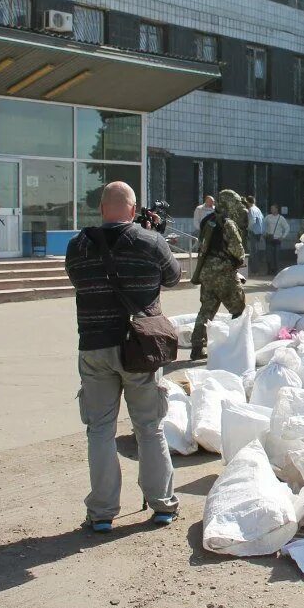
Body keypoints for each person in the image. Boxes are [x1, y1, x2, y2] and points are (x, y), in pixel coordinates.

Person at [64, 181, 183, 533]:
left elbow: (76, 279)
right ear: (133, 210)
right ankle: (162, 505)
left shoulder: (78, 246)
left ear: (102, 209)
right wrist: (151, 235)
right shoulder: (149, 241)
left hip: (94, 346)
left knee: (100, 430)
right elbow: (174, 277)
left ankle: (102, 513)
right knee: (149, 427)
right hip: (140, 348)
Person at [189, 189, 248, 361]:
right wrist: (239, 260)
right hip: (223, 272)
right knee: (238, 310)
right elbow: (237, 250)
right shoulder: (228, 224)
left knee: (206, 310)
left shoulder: (208, 221)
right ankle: (239, 347)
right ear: (228, 204)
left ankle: (197, 347)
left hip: (206, 271)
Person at [263, 203, 288, 275]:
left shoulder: (281, 218)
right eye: (271, 208)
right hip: (269, 238)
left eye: (273, 208)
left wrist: (283, 237)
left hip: (277, 239)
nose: (271, 210)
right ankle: (269, 270)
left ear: (277, 209)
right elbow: (263, 225)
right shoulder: (268, 217)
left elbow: (287, 228)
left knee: (276, 256)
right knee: (269, 255)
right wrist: (264, 233)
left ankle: (276, 270)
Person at [245, 195, 265, 270]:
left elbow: (252, 221)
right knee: (256, 250)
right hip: (258, 232)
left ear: (248, 202)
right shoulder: (257, 209)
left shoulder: (251, 209)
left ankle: (254, 269)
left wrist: (248, 228)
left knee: (253, 251)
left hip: (253, 231)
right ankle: (256, 268)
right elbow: (262, 219)